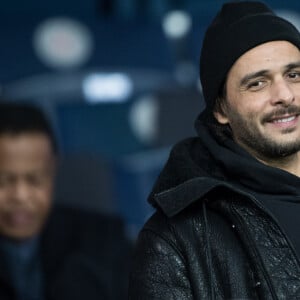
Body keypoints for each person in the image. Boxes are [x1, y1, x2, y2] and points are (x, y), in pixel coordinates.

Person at [128, 1, 300, 299]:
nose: (284, 95)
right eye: (257, 83)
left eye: (294, 75)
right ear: (220, 109)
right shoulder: (175, 240)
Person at [0, 102, 131, 300]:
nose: (20, 196)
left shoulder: (104, 242)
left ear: (52, 171)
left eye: (34, 180)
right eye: (4, 181)